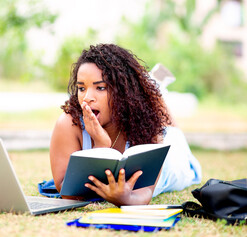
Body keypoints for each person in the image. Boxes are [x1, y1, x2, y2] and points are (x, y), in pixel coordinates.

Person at [49, 43, 202, 206]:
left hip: (172, 161)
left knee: (173, 132)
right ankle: (151, 87)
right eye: (81, 88)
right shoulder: (68, 123)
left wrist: (126, 199)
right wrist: (101, 146)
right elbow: (68, 193)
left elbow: (146, 192)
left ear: (122, 91)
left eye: (100, 87)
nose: (87, 97)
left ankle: (155, 90)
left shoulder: (147, 124)